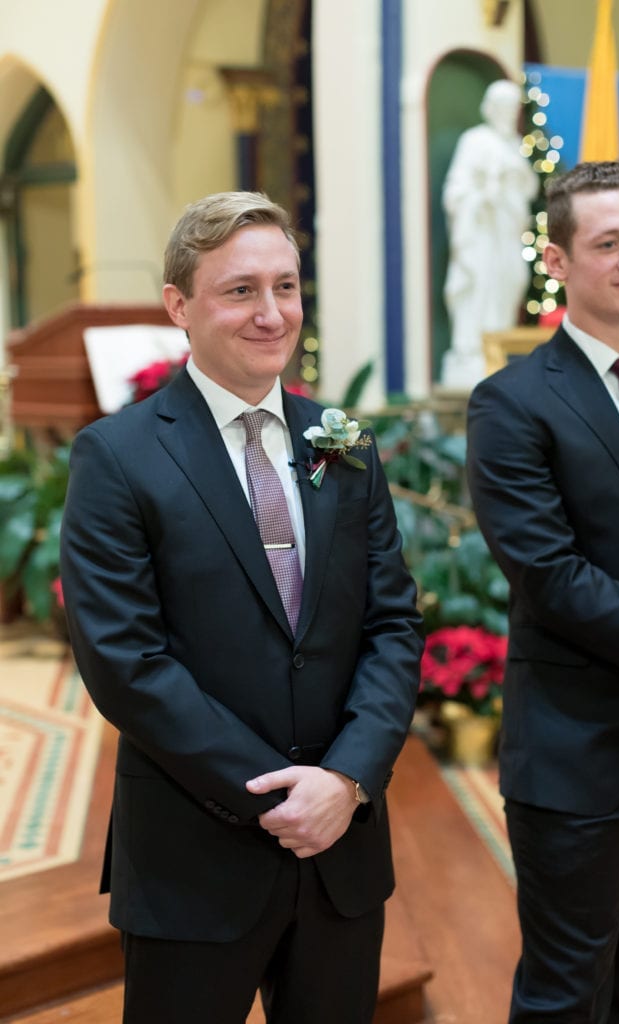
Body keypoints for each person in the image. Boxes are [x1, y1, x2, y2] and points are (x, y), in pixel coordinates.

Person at [60, 191, 423, 1024]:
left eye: (286, 288)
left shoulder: (345, 443)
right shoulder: (116, 457)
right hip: (196, 852)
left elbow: (393, 624)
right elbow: (126, 663)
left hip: (341, 848)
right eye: (240, 291)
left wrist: (346, 779)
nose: (271, 314)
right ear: (179, 306)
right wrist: (279, 798)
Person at [466, 159, 619, 1023]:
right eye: (606, 243)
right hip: (576, 753)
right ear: (555, 261)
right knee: (565, 994)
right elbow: (552, 578)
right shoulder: (513, 403)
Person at [441, 78, 538, 390]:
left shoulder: (514, 144)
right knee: (480, 287)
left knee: (512, 281)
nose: (509, 114)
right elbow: (456, 190)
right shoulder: (475, 140)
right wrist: (481, 196)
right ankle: (473, 350)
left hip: (507, 233)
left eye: (513, 108)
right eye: (504, 107)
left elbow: (529, 187)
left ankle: (500, 346)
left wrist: (512, 181)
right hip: (481, 234)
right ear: (491, 108)